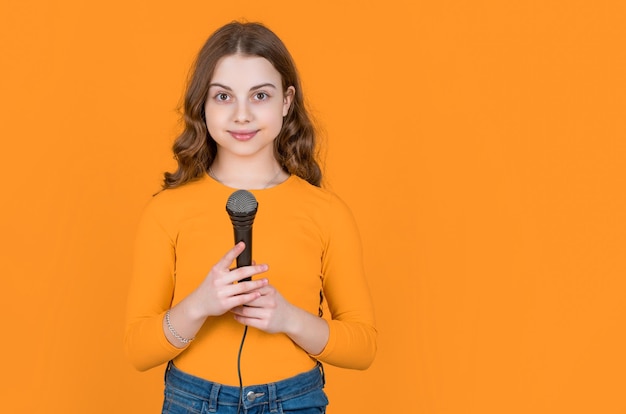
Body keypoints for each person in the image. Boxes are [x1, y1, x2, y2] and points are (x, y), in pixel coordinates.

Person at [125, 21, 377, 414]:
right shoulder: (166, 211)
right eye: (223, 96)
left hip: (296, 401)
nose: (242, 115)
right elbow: (139, 350)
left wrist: (288, 318)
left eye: (260, 95)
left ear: (286, 102)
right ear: (203, 105)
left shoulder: (327, 213)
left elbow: (363, 347)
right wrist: (199, 305)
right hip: (192, 400)